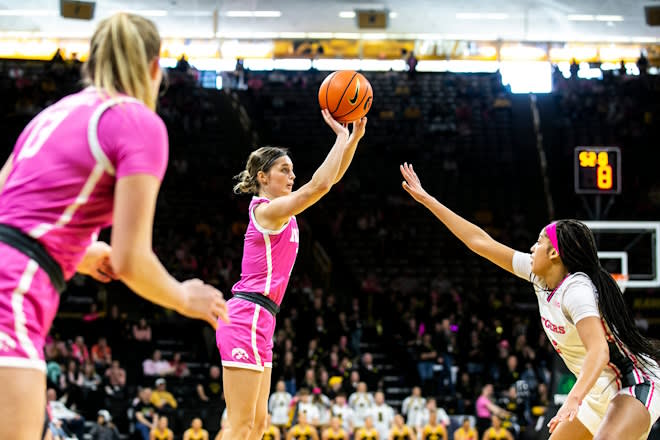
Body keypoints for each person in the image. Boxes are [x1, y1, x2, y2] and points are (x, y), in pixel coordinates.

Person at [0, 12, 229, 439]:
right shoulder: (138, 123)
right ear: (154, 69)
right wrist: (184, 296)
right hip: (10, 292)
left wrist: (80, 254)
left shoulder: (50, 116)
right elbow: (130, 258)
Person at [399, 162, 660, 440]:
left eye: (539, 241)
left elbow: (599, 352)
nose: (532, 247)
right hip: (596, 391)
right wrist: (428, 200)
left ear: (554, 255)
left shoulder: (577, 291)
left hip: (633, 384)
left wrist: (572, 399)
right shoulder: (540, 278)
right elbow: (479, 242)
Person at [217, 111, 367, 440]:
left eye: (292, 171)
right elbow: (320, 184)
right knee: (241, 426)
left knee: (258, 426)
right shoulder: (266, 210)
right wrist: (340, 139)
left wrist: (353, 140)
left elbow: (331, 180)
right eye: (284, 170)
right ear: (262, 176)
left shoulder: (283, 209)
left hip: (262, 318)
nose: (291, 176)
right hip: (246, 316)